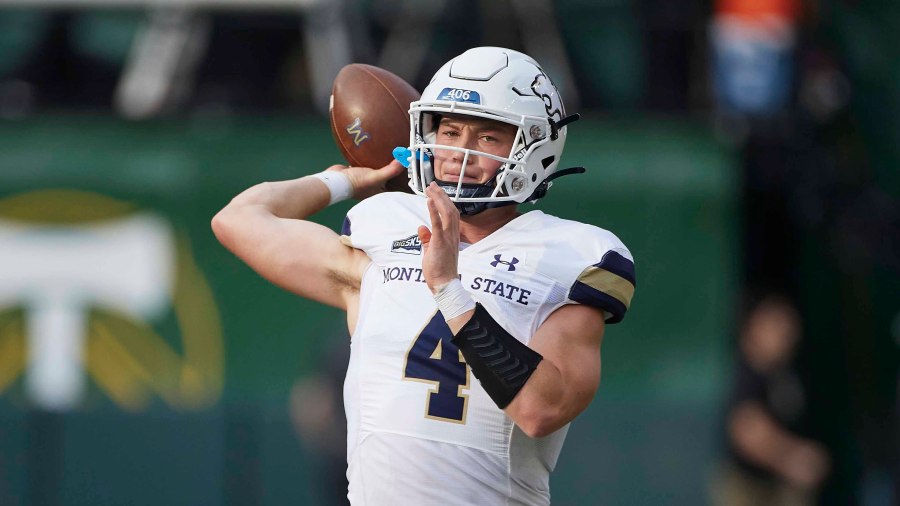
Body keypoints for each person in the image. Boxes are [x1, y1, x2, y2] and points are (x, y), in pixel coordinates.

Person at [212, 47, 636, 505]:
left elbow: (540, 409)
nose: (458, 152)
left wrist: (449, 291)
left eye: (487, 137)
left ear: (533, 147)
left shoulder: (569, 257)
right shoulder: (381, 237)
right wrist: (348, 180)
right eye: (450, 130)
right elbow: (239, 219)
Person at [713, 293, 831, 506]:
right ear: (755, 328)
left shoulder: (789, 372)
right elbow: (746, 428)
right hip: (749, 488)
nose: (785, 335)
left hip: (780, 487)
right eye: (776, 327)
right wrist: (791, 457)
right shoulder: (747, 371)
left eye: (789, 328)